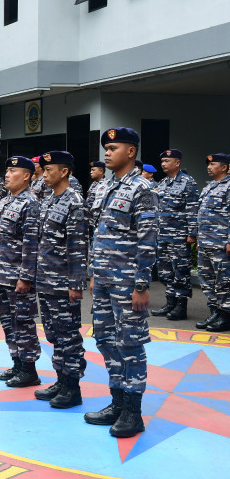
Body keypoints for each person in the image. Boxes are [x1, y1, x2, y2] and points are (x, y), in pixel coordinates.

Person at [86, 127, 157, 438]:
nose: (107, 152)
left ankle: (132, 411)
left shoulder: (142, 189)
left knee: (130, 344)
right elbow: (97, 234)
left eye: (113, 147)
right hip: (102, 278)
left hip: (127, 282)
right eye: (106, 147)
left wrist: (141, 284)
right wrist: (92, 273)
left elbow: (148, 238)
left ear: (131, 152)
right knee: (105, 339)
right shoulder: (102, 188)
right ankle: (116, 402)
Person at [33, 151, 89, 408]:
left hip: (64, 283)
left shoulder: (74, 202)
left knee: (68, 335)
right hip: (46, 279)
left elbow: (78, 247)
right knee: (55, 334)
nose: (44, 174)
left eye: (49, 169)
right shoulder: (48, 200)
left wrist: (75, 284)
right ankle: (61, 379)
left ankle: (72, 387)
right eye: (43, 170)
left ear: (64, 171)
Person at [0, 156, 41, 388]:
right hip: (2, 272)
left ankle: (29, 369)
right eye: (7, 171)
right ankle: (17, 363)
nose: (7, 175)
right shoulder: (5, 201)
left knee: (23, 322)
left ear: (27, 176)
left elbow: (31, 244)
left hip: (18, 276)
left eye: (13, 171)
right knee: (8, 322)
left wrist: (26, 276)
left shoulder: (30, 203)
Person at [150, 149, 198, 321]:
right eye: (162, 161)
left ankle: (181, 307)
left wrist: (192, 234)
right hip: (162, 235)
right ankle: (170, 302)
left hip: (179, 236)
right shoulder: (162, 183)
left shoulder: (187, 182)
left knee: (181, 271)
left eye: (167, 161)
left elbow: (192, 209)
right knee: (165, 271)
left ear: (177, 163)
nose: (163, 164)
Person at [193, 153, 230, 331]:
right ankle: (215, 312)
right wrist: (200, 238)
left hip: (221, 243)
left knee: (224, 281)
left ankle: (226, 316)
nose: (209, 167)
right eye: (208, 164)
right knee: (208, 280)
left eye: (213, 164)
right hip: (207, 242)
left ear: (224, 167)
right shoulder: (209, 187)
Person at [86, 161, 108, 242]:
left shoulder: (105, 185)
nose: (90, 172)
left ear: (101, 171)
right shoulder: (94, 184)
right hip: (90, 220)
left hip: (97, 221)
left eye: (93, 170)